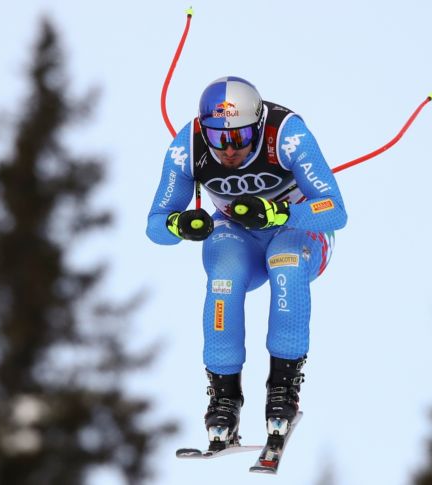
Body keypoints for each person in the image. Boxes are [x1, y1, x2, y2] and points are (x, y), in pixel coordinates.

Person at [146, 76, 347, 450]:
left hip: (298, 229)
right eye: (218, 138)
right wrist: (180, 223)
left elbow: (335, 210)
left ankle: (283, 389)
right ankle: (224, 399)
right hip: (239, 235)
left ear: (258, 124)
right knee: (223, 280)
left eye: (239, 137)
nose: (229, 150)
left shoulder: (287, 135)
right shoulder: (187, 146)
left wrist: (280, 212)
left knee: (285, 265)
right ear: (204, 130)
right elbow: (155, 225)